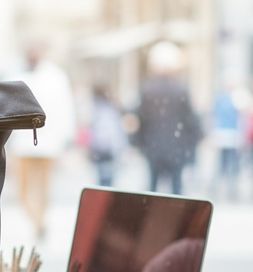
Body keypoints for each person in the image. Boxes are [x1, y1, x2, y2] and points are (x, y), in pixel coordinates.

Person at [7, 41, 76, 241]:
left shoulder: (56, 77)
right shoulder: (15, 75)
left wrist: (65, 140)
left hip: (47, 144)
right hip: (23, 145)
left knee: (43, 190)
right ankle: (39, 222)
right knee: (23, 192)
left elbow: (65, 109)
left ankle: (39, 222)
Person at [132, 41, 202, 196]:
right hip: (176, 145)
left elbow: (140, 118)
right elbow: (190, 119)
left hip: (153, 145)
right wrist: (195, 138)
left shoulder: (147, 89)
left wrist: (138, 142)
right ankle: (177, 211)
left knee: (152, 187)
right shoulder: (181, 89)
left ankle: (150, 210)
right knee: (176, 188)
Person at [86, 85, 128, 187]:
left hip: (100, 150)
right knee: (108, 179)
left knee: (102, 179)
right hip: (108, 150)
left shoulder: (96, 110)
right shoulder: (111, 110)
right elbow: (116, 132)